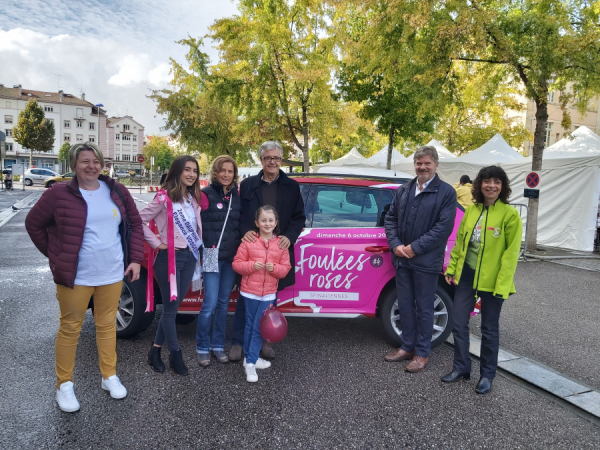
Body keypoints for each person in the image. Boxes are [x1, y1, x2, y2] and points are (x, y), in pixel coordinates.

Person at [25, 142, 143, 413]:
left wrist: (135, 259)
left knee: (106, 325)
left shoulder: (115, 190)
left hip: (112, 273)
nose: (91, 166)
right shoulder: (57, 194)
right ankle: (64, 385)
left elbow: (135, 224)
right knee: (70, 329)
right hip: (76, 276)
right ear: (73, 165)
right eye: (84, 161)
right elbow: (34, 223)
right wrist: (56, 255)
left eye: (95, 161)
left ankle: (109, 376)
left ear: (102, 163)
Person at [442, 166, 522, 394]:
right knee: (458, 322)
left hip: (493, 280)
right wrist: (452, 269)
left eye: (497, 182)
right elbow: (460, 244)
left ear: (503, 187)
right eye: (487, 181)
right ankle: (461, 367)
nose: (491, 186)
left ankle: (487, 375)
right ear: (480, 185)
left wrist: (502, 286)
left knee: (489, 329)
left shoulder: (509, 215)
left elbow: (510, 255)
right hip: (467, 275)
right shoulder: (471, 211)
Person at [229, 141, 305, 362]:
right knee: (245, 300)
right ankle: (237, 342)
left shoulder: (292, 186)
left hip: (276, 252)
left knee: (269, 303)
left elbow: (299, 217)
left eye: (277, 158)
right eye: (268, 158)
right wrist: (245, 232)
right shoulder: (248, 184)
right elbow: (240, 215)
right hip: (251, 251)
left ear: (281, 160)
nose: (273, 162)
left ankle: (265, 341)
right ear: (261, 160)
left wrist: (289, 238)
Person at [383, 145, 456, 372]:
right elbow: (390, 219)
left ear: (435, 165)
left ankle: (422, 353)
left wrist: (414, 248)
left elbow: (443, 228)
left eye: (427, 163)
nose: (422, 167)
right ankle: (406, 347)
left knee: (424, 308)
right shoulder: (404, 190)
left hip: (426, 261)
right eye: (418, 163)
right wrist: (395, 245)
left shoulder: (446, 193)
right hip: (403, 260)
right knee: (405, 305)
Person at [140, 155, 203, 376]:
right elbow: (138, 220)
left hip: (189, 257)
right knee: (170, 311)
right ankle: (175, 354)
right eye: (187, 169)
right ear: (177, 171)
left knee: (172, 309)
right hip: (169, 261)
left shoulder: (191, 198)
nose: (191, 174)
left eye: (195, 170)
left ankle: (155, 351)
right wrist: (158, 243)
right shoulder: (163, 198)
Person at [232, 206, 291, 382]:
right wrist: (251, 266)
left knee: (257, 325)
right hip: (250, 293)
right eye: (263, 220)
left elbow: (285, 268)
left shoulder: (280, 244)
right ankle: (250, 362)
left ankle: (251, 359)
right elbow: (237, 264)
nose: (267, 223)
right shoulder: (248, 242)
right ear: (257, 223)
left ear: (276, 223)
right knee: (252, 324)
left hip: (269, 294)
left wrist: (276, 269)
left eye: (270, 220)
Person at [195, 155, 241, 367]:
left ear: (234, 174)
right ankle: (202, 347)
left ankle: (217, 346)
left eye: (230, 171)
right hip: (212, 255)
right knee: (210, 303)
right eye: (222, 170)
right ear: (215, 172)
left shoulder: (236, 197)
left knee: (223, 303)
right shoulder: (204, 195)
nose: (226, 174)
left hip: (230, 258)